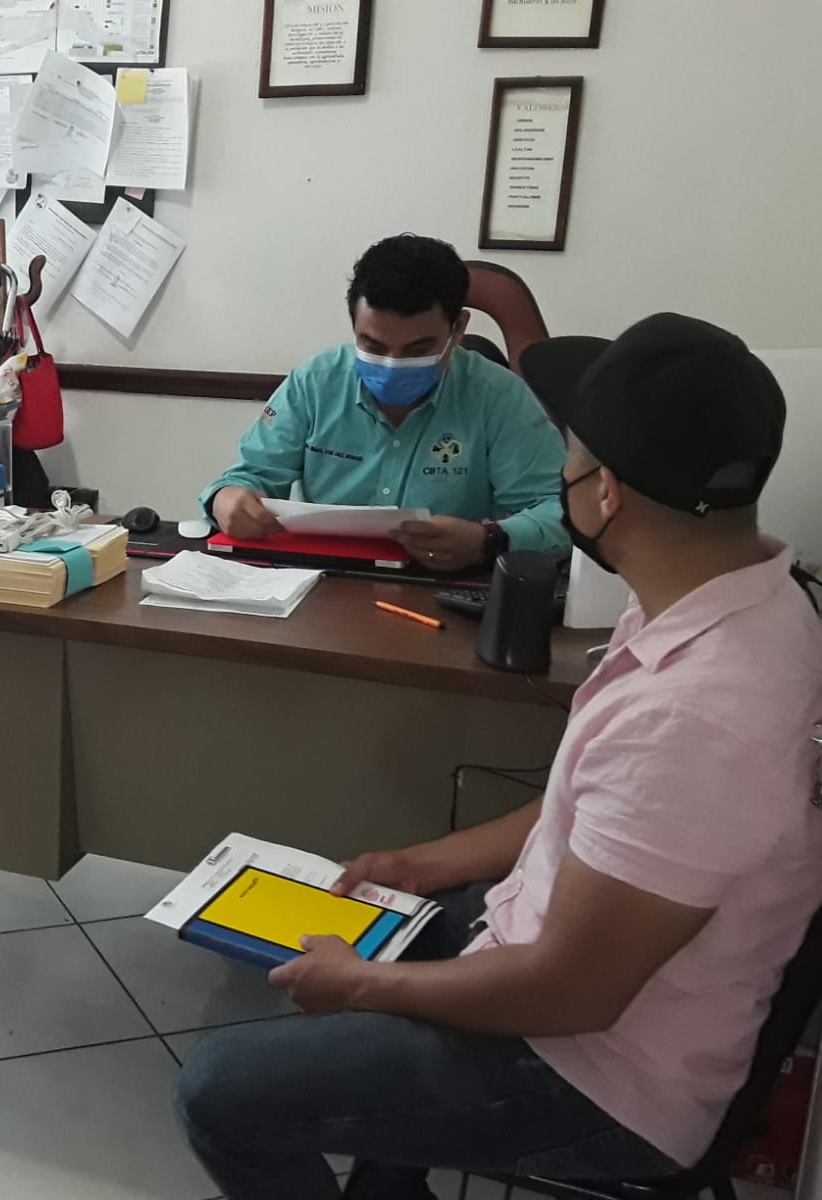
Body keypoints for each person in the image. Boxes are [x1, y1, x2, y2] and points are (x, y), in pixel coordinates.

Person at [177, 312, 822, 1200]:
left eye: (571, 454)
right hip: (574, 964)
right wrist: (416, 864)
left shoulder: (696, 714)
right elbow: (589, 808)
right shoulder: (748, 597)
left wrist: (360, 987)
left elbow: (569, 994)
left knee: (219, 1092)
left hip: (594, 1075)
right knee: (406, 913)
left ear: (606, 493)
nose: (561, 472)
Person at [201, 235, 569, 571]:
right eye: (373, 346)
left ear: (458, 328)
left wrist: (487, 541)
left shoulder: (499, 396)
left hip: (443, 585)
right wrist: (226, 500)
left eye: (418, 349)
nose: (392, 365)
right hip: (324, 581)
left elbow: (563, 513)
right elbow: (251, 476)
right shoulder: (316, 382)